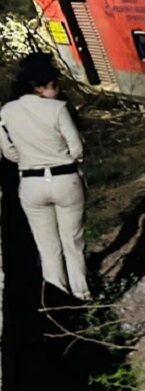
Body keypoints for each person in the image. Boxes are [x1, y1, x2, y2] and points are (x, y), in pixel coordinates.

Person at [0, 54, 90, 301]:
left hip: (30, 181)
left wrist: (28, 159)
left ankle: (57, 297)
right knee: (73, 242)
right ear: (41, 86)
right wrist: (66, 158)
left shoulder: (7, 111)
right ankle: (82, 293)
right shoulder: (58, 108)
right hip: (64, 178)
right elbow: (77, 147)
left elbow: (7, 150)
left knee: (47, 246)